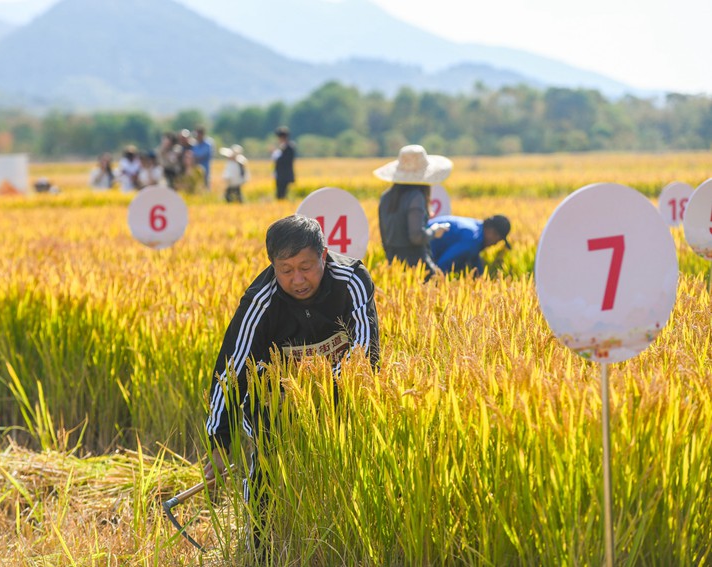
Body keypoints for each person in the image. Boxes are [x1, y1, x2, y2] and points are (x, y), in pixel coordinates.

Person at [203, 214, 380, 553]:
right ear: (273, 266)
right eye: (286, 270)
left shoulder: (352, 279)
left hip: (341, 392)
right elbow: (232, 368)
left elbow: (365, 351)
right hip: (276, 399)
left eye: (306, 266)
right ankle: (260, 548)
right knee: (266, 472)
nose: (298, 279)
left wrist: (329, 401)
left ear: (324, 256)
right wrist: (220, 439)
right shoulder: (261, 301)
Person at [376, 144, 453, 279]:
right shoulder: (416, 197)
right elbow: (417, 237)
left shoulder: (386, 197)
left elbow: (384, 235)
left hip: (393, 263)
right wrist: (435, 230)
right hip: (418, 265)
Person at [428, 214, 512, 276]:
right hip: (420, 247)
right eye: (498, 240)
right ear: (491, 232)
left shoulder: (477, 228)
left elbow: (475, 260)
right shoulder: (472, 239)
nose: (495, 244)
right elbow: (442, 265)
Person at [272, 126, 296, 200]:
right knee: (280, 194)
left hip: (284, 175)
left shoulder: (289, 147)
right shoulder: (282, 147)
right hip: (280, 175)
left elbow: (285, 161)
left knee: (282, 194)